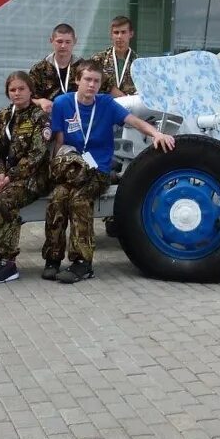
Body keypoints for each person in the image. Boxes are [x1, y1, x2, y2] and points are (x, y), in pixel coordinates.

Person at [44, 59, 174, 283]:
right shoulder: (63, 103)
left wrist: (157, 134)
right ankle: (53, 258)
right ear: (77, 80)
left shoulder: (105, 104)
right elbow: (59, 141)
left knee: (79, 200)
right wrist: (58, 168)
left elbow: (134, 121)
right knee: (57, 197)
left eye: (96, 81)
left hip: (97, 170)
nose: (92, 85)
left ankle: (83, 263)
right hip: (72, 167)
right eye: (87, 79)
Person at [0, 71, 51, 284]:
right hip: (3, 173)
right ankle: (0, 247)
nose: (17, 93)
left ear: (30, 90)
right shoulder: (1, 117)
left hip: (33, 176)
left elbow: (37, 155)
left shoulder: (39, 117)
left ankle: (8, 263)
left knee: (5, 200)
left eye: (21, 89)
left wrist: (9, 176)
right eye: (12, 90)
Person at [28, 23, 81, 113]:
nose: (63, 46)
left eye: (68, 42)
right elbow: (27, 98)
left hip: (78, 116)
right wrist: (40, 101)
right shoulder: (39, 69)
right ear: (51, 40)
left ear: (75, 41)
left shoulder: (83, 68)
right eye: (59, 41)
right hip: (48, 118)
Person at [91, 15, 139, 97]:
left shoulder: (139, 63)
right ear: (111, 35)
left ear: (131, 34)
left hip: (131, 108)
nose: (119, 36)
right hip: (104, 107)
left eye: (123, 32)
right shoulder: (98, 60)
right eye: (116, 32)